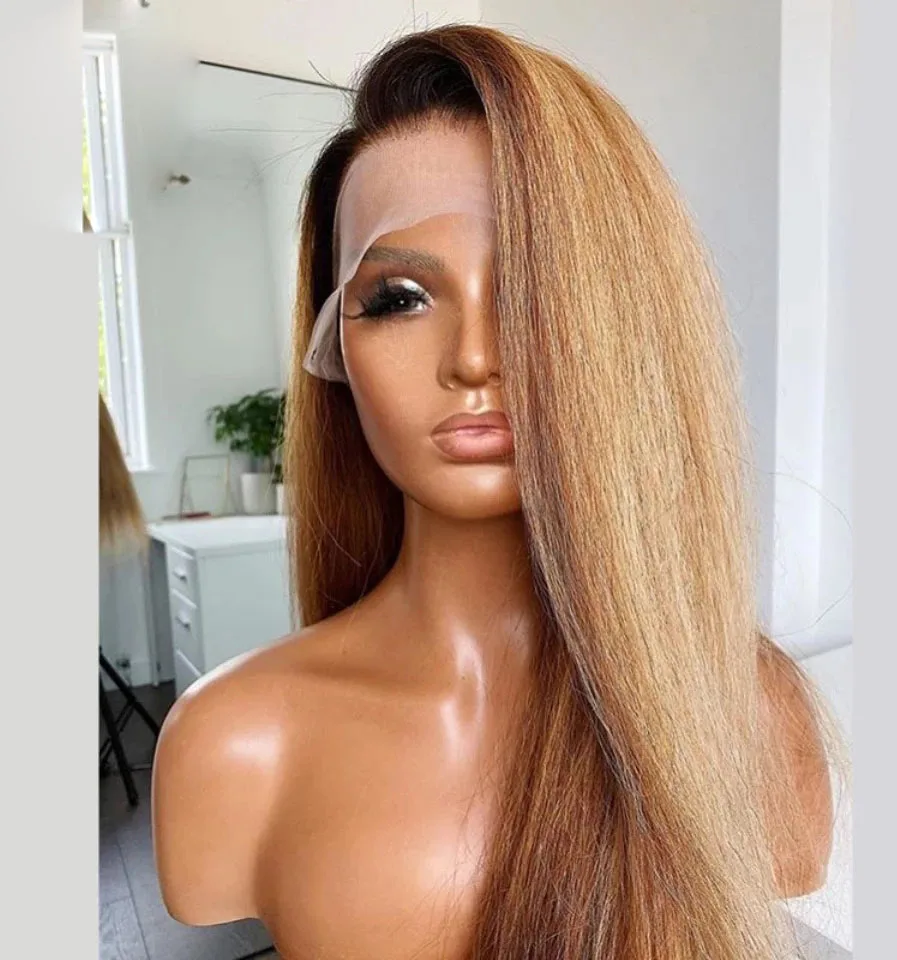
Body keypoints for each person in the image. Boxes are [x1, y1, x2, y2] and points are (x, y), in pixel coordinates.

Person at [153, 24, 833, 960]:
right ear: (335, 350)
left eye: (533, 284)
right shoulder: (236, 741)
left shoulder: (750, 716)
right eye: (399, 298)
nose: (474, 357)